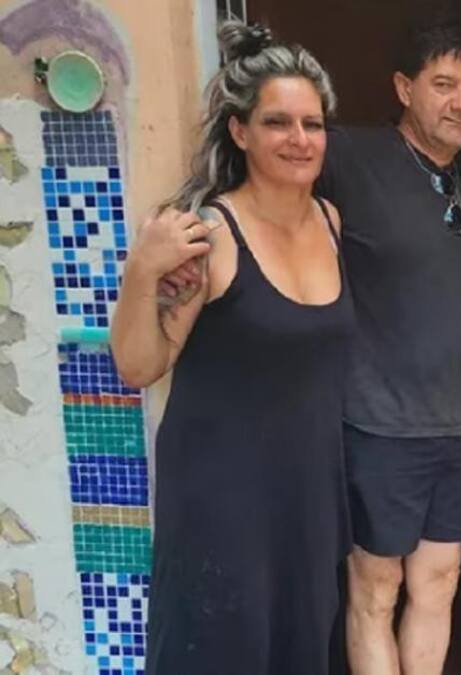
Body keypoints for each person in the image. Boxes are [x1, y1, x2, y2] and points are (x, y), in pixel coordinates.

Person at [111, 23, 351, 674]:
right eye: (278, 122)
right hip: (223, 503)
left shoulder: (331, 223)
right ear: (240, 131)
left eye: (313, 123)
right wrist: (141, 271)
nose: (300, 140)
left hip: (306, 499)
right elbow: (139, 363)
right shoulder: (209, 235)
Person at [313, 19, 461, 675]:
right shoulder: (349, 158)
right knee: (375, 590)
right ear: (402, 88)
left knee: (438, 582)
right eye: (443, 84)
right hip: (379, 424)